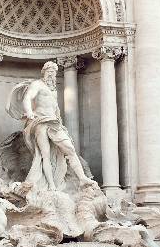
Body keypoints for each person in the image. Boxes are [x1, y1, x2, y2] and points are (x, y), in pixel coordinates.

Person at [6, 60, 95, 192]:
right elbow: (27, 98)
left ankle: (82, 178)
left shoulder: (53, 90)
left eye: (53, 72)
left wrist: (59, 121)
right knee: (44, 155)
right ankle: (51, 185)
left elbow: (55, 108)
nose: (51, 75)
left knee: (69, 149)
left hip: (54, 123)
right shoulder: (37, 84)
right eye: (49, 71)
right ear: (44, 72)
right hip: (40, 121)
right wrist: (29, 112)